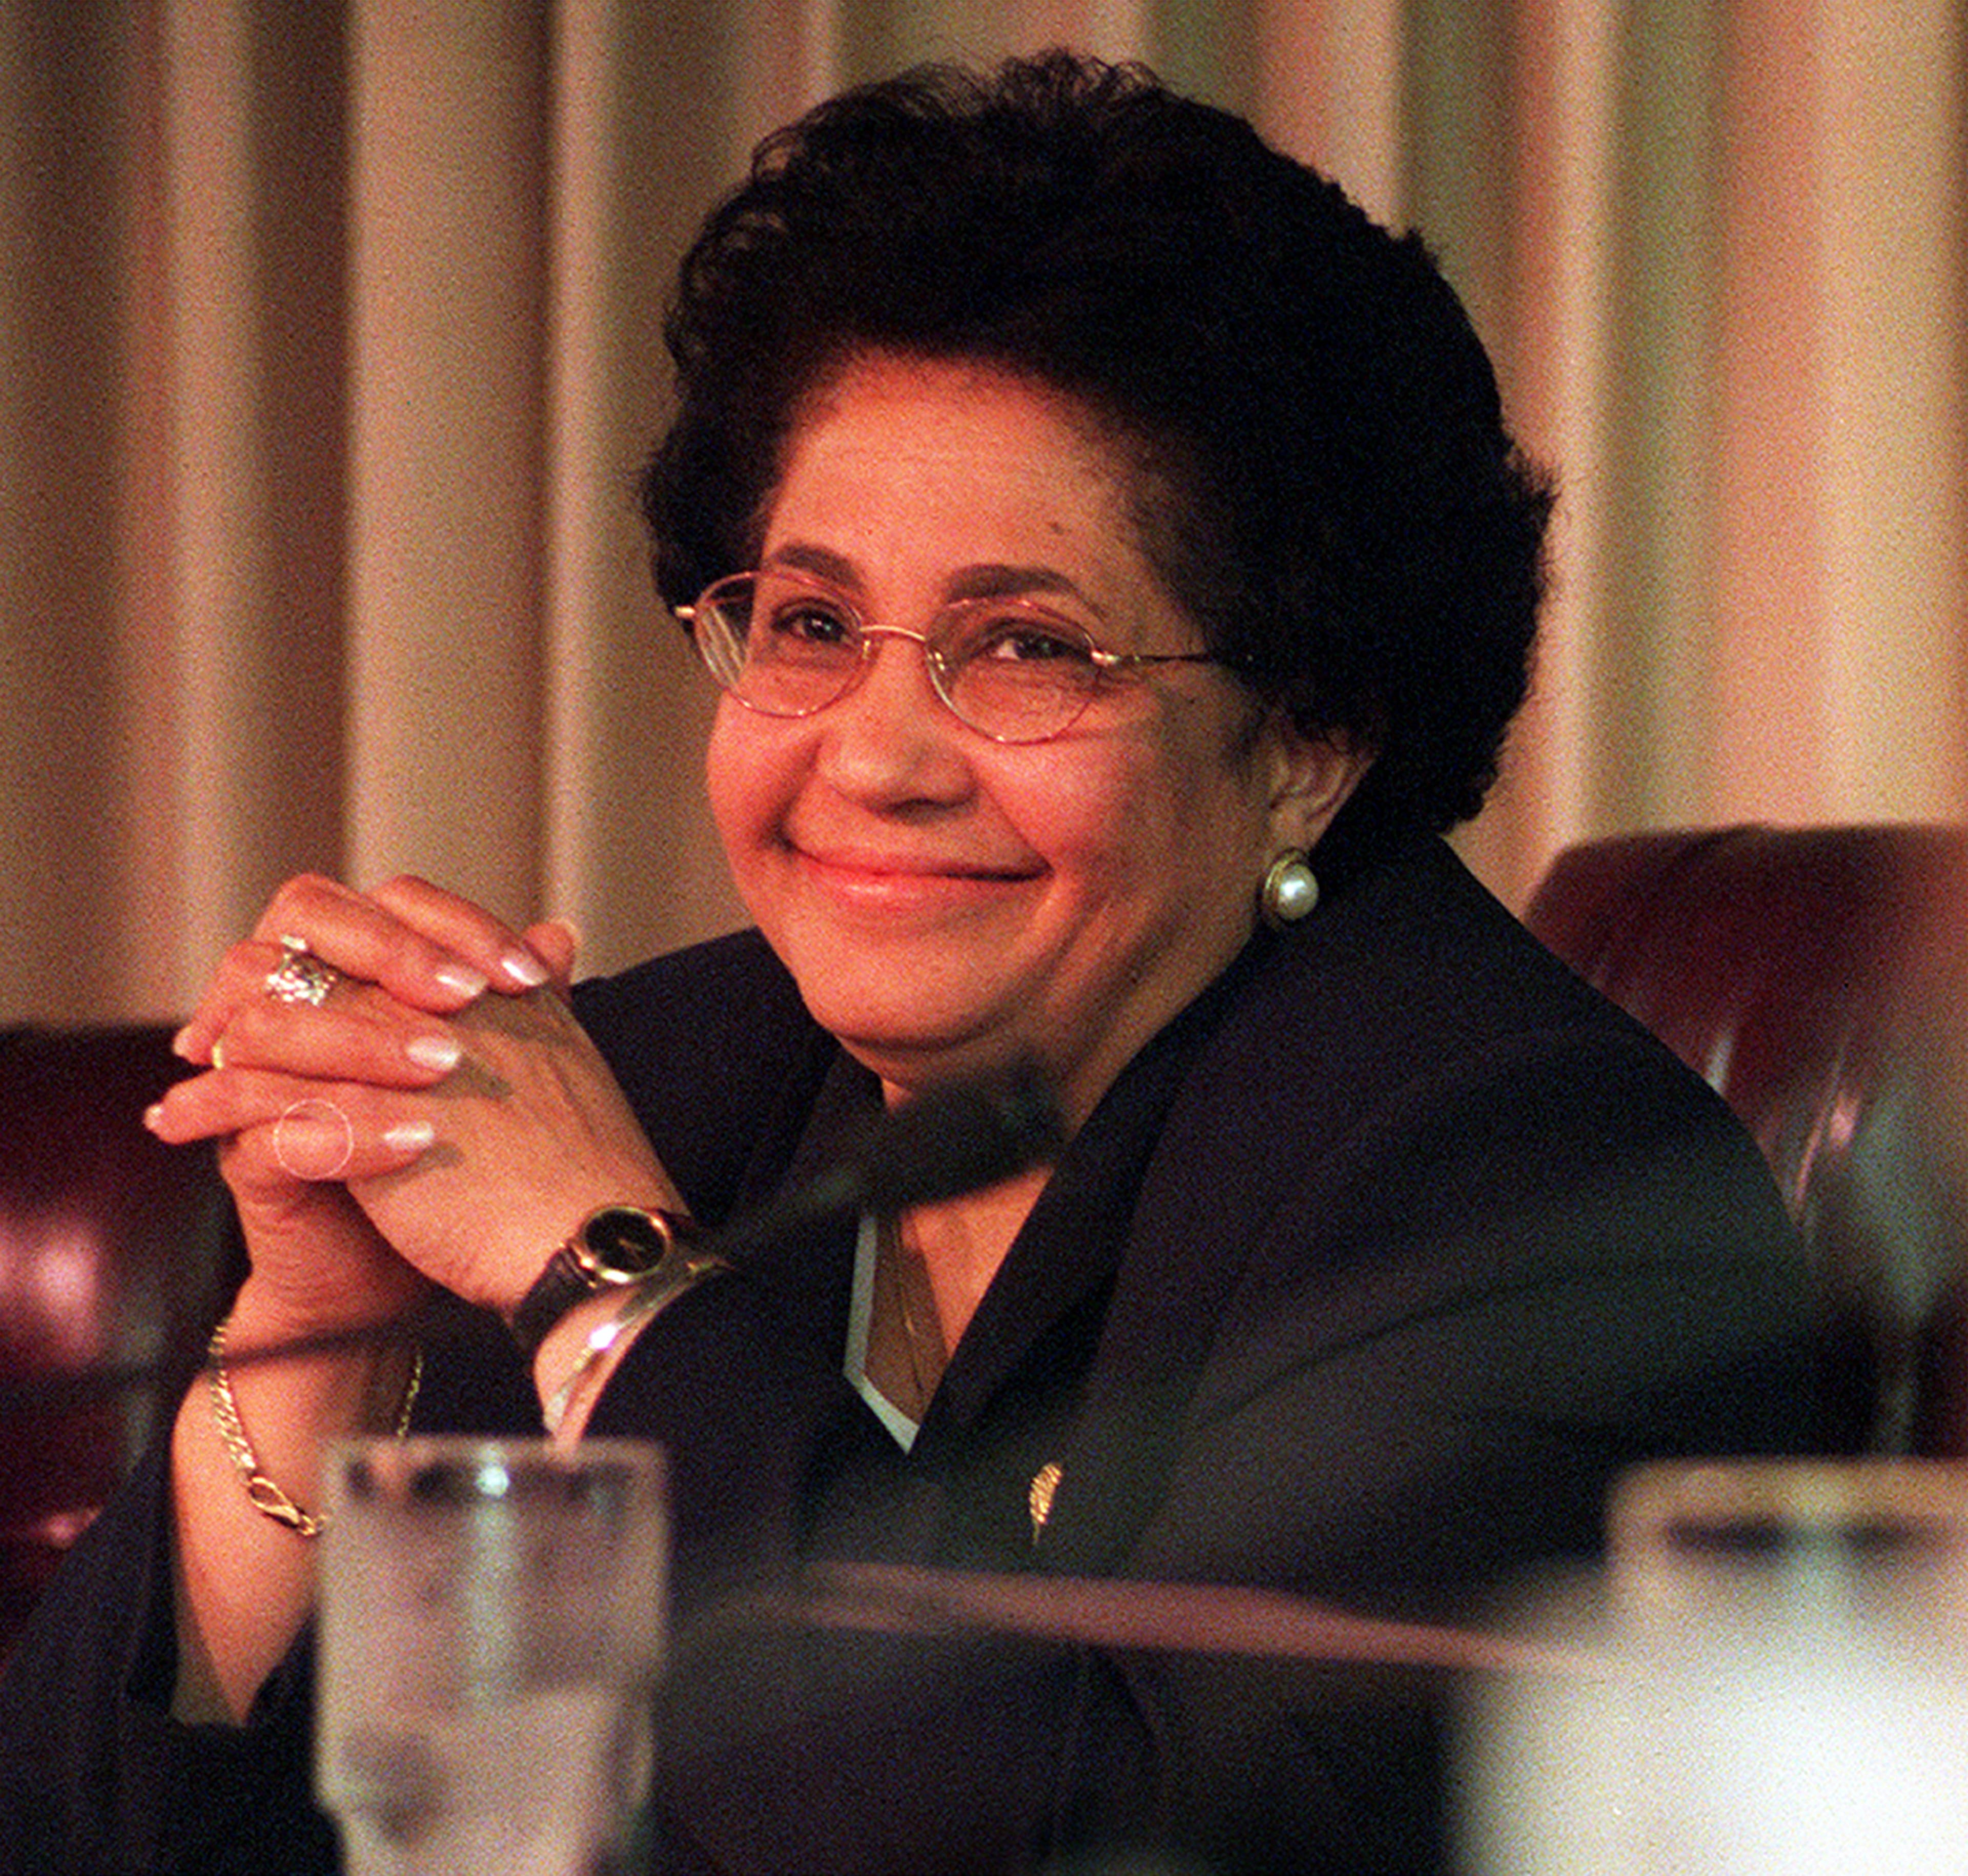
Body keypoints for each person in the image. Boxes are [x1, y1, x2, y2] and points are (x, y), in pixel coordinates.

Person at [0, 51, 1812, 1875]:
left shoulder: (1527, 1186)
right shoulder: (658, 1083)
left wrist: (613, 1286)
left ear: (1304, 746)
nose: (873, 757)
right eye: (810, 623)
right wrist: (315, 1335)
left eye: (1025, 648)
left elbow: (1116, 1842)